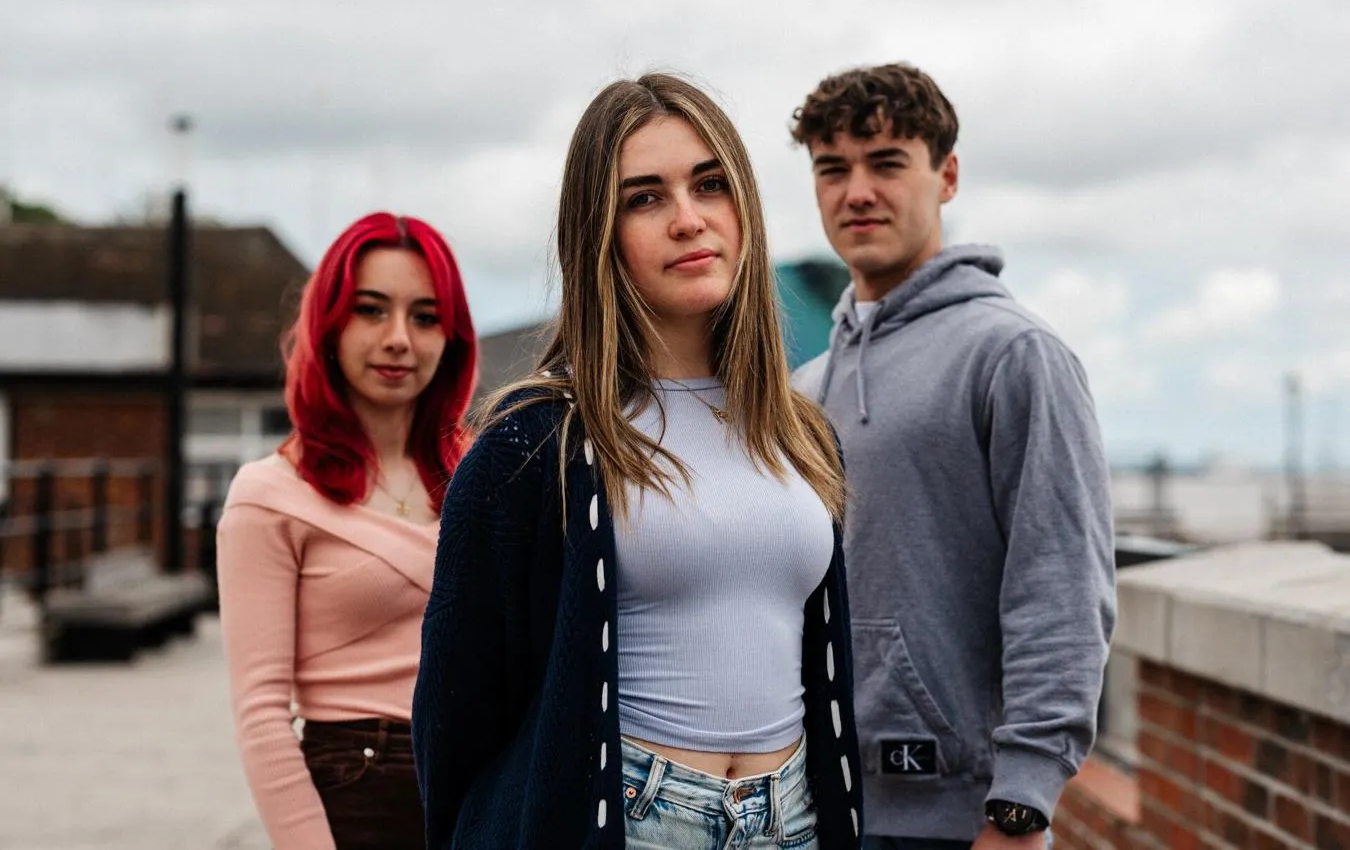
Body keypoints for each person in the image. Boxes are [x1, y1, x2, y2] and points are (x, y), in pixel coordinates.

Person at [412, 73, 865, 849]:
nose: (689, 220)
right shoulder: (532, 445)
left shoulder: (803, 435)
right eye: (645, 198)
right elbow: (457, 718)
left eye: (710, 185)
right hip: (631, 819)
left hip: (795, 821)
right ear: (600, 232)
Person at [789, 63, 1115, 849]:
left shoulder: (1015, 355)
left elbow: (1061, 587)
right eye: (833, 170)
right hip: (813, 805)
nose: (856, 191)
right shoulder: (804, 386)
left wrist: (1023, 804)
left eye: (887, 163)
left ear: (947, 176)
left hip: (958, 820)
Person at [216, 211, 477, 849]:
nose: (399, 339)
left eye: (424, 316)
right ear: (330, 324)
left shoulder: (482, 480)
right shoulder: (270, 494)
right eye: (370, 310)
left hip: (476, 782)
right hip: (359, 788)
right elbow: (262, 717)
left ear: (451, 338)